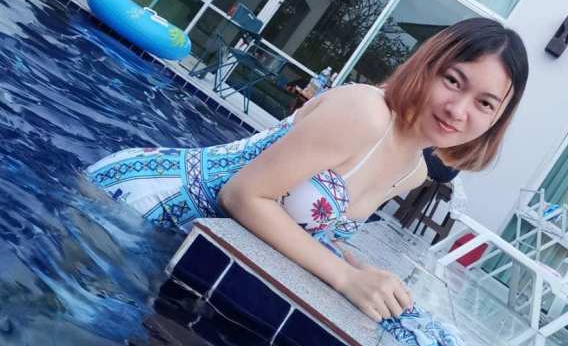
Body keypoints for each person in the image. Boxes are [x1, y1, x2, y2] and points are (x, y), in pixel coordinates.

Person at [85, 18, 528, 322]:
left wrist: (363, 270)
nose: (458, 109)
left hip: (181, 237)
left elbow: (320, 226)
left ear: (497, 120)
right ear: (426, 68)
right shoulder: (366, 111)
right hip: (139, 202)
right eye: (453, 80)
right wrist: (345, 278)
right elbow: (243, 195)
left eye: (485, 103)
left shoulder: (414, 171)